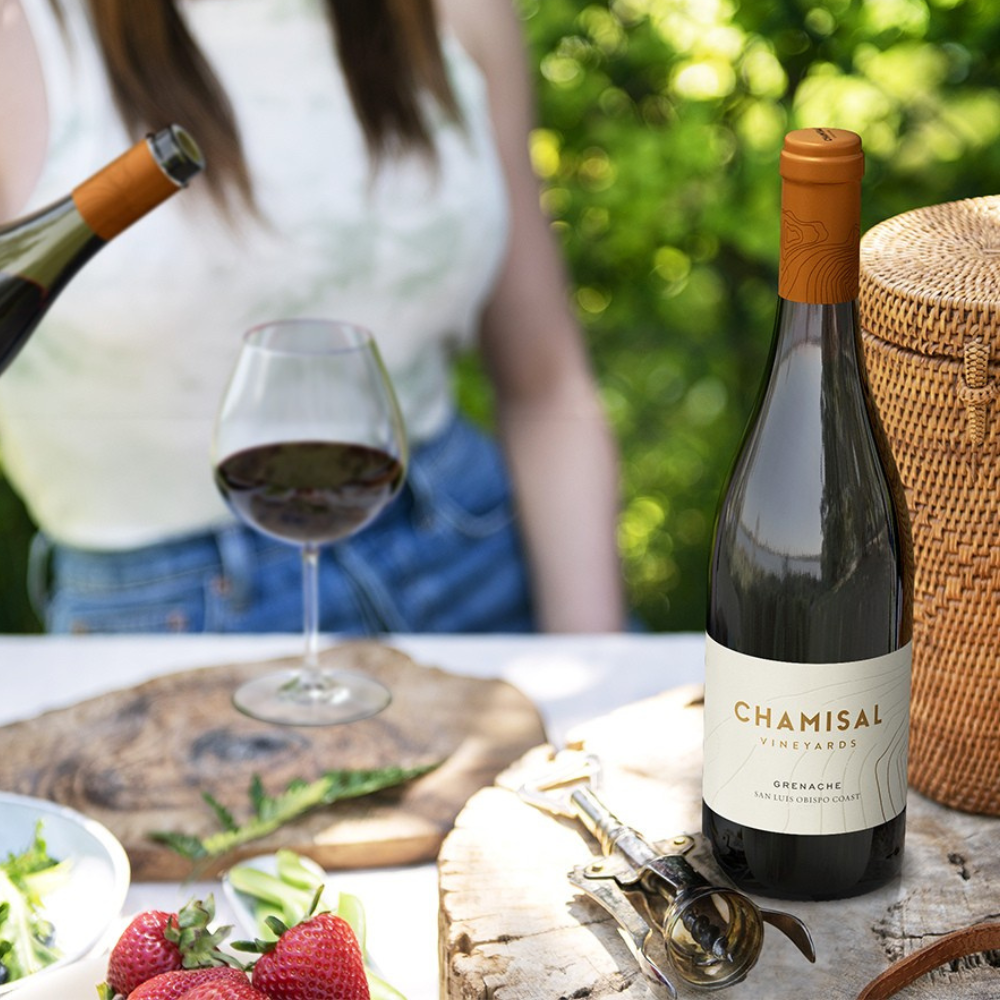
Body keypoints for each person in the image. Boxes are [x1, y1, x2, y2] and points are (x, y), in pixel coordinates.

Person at [0, 0, 625, 635]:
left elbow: (547, 384)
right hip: (167, 616)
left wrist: (594, 655)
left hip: (479, 553)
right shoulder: (19, 36)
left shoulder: (453, 14)